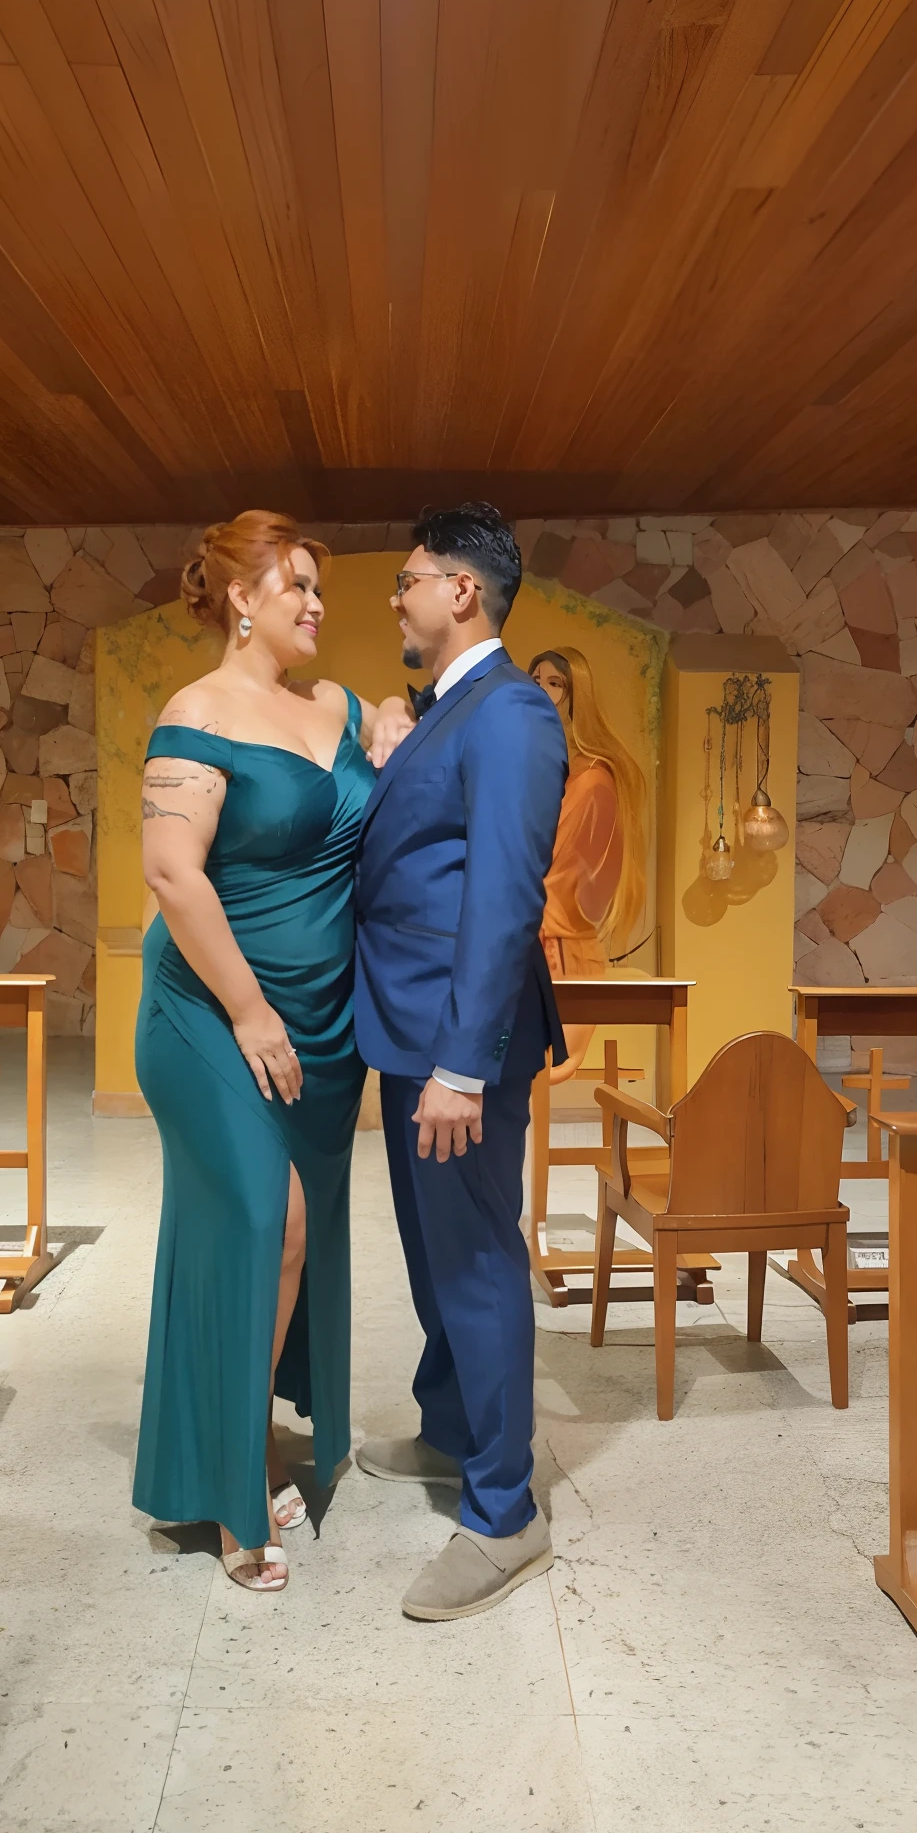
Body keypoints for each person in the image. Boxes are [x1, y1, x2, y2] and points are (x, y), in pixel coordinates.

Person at [132, 511, 411, 1592]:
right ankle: (236, 1474)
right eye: (295, 584)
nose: (315, 604)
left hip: (322, 1029)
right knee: (264, 1214)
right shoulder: (195, 713)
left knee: (292, 1240)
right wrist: (249, 1010)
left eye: (321, 590)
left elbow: (372, 779)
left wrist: (392, 714)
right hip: (213, 1013)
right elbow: (172, 873)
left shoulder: (335, 705)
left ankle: (241, 1427)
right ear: (241, 596)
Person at [354, 503, 569, 1621]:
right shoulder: (449, 710)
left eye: (408, 580)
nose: (395, 598)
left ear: (463, 591)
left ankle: (503, 1511)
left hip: (454, 1042)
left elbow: (501, 902)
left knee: (478, 1259)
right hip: (407, 1031)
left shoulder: (514, 713)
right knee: (436, 1257)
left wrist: (464, 1066)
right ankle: (451, 1430)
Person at [528, 646, 647, 1082]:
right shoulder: (538, 759)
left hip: (555, 935)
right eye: (535, 679)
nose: (542, 689)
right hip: (526, 923)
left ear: (576, 692)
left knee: (547, 1065)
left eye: (554, 682)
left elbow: (564, 865)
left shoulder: (593, 778)